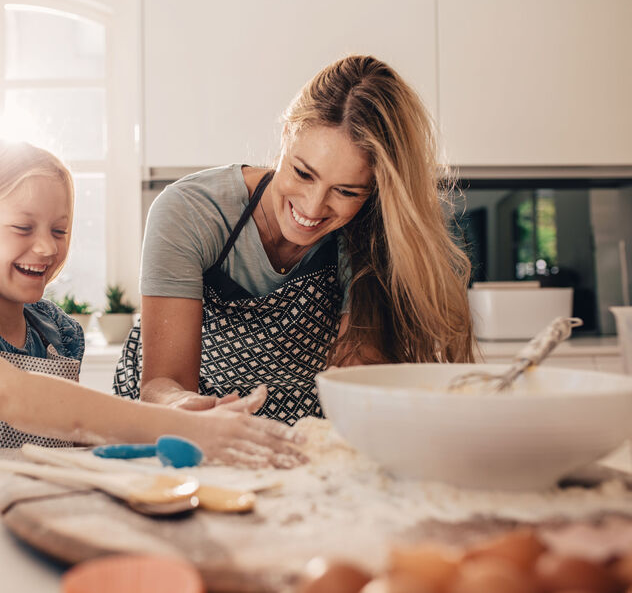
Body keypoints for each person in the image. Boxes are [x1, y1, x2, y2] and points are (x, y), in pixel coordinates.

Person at [0, 139, 305, 468]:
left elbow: (69, 432)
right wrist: (185, 427)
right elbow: (12, 395)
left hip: (33, 523)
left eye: (60, 230)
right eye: (22, 227)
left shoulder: (55, 335)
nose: (46, 246)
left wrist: (179, 420)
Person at [114, 55, 475, 424]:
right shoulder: (192, 211)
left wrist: (360, 406)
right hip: (171, 422)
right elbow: (164, 382)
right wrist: (187, 409)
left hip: (302, 425)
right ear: (287, 135)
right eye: (303, 173)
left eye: (346, 191)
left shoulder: (371, 235)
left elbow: (355, 374)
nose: (313, 207)